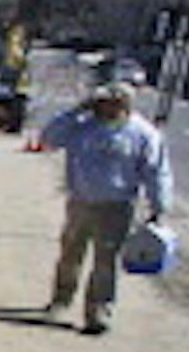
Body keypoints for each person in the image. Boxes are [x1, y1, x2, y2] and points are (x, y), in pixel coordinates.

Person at [37, 81, 172, 334]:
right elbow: (48, 138)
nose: (104, 107)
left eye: (111, 102)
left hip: (116, 207)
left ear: (124, 104)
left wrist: (159, 207)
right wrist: (77, 110)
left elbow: (156, 172)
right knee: (70, 256)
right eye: (101, 102)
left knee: (105, 262)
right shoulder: (82, 126)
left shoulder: (142, 133)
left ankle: (98, 311)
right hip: (80, 202)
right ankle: (60, 300)